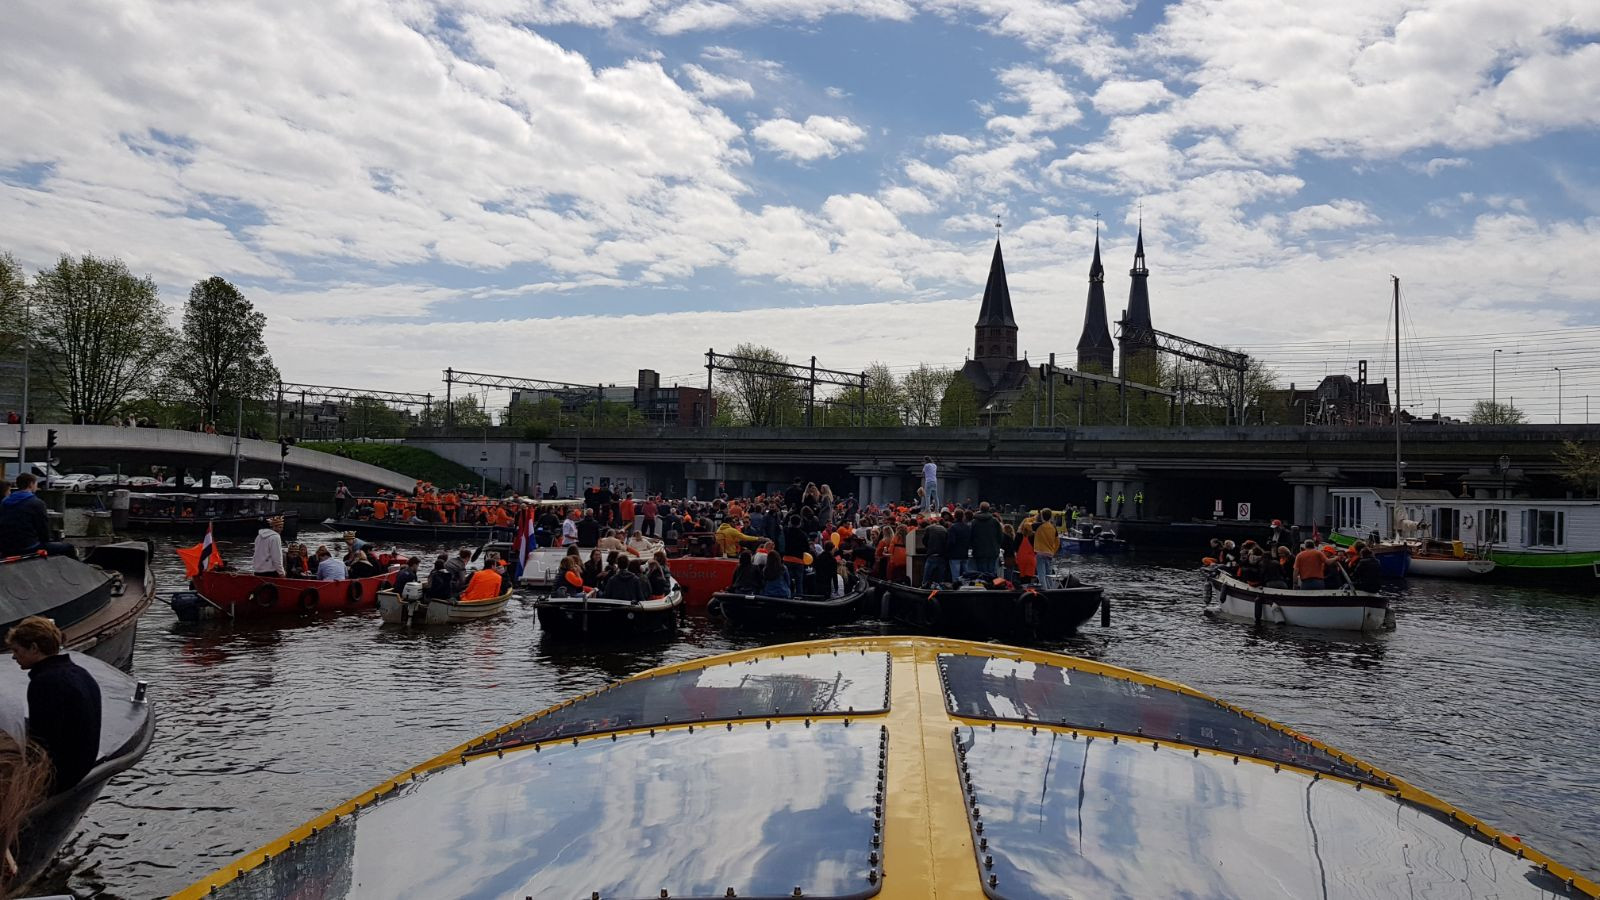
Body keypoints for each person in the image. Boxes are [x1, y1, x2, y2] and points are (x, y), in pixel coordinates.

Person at [6, 616, 101, 793]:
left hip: (58, 777)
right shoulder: (80, 673)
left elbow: (40, 742)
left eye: (17, 650)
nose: (13, 657)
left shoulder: (45, 683)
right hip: (81, 765)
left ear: (34, 648)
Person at [0, 474, 76, 559]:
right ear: (31, 484)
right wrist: (47, 541)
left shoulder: (4, 501)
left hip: (6, 546)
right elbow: (43, 528)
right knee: (68, 548)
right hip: (28, 546)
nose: (36, 486)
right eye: (36, 484)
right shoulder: (36, 503)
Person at [969, 502, 1003, 576]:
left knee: (981, 573)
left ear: (980, 509)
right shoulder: (995, 521)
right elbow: (1000, 536)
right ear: (989, 509)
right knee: (991, 572)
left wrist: (972, 547)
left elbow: (970, 536)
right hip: (993, 550)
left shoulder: (974, 522)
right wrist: (997, 546)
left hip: (978, 551)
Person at [1033, 508, 1060, 589]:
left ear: (1041, 516)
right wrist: (1053, 551)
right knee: (1049, 574)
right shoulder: (1053, 527)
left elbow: (1026, 527)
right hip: (1050, 554)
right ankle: (1050, 589)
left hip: (1040, 553)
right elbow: (1058, 542)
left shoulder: (1037, 526)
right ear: (1050, 517)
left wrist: (1033, 518)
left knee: (1041, 574)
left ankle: (1044, 590)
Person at [920, 514, 949, 586]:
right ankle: (939, 591)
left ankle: (925, 589)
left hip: (932, 555)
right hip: (942, 556)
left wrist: (928, 547)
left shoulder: (928, 528)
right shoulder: (944, 529)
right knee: (940, 580)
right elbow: (947, 542)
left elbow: (924, 540)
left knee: (926, 578)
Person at [946, 509, 972, 582]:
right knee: (966, 576)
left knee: (956, 576)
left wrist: (947, 551)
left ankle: (956, 590)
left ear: (955, 517)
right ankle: (966, 589)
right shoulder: (967, 527)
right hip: (964, 554)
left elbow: (951, 542)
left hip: (954, 555)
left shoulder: (953, 527)